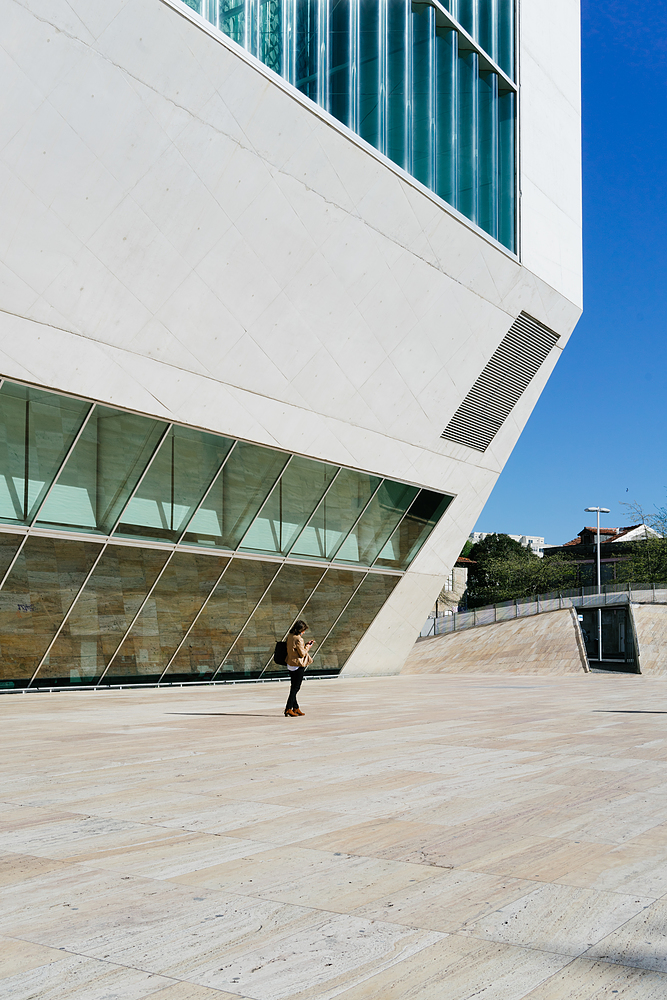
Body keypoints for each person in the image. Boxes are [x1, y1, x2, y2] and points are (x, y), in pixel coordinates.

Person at [284, 619, 314, 718]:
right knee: (296, 688)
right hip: (297, 664)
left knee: (293, 687)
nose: (304, 632)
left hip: (290, 663)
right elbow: (302, 654)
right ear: (300, 630)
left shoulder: (290, 636)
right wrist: (308, 647)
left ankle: (295, 708)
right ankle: (288, 708)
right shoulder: (298, 639)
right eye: (303, 630)